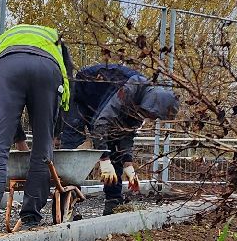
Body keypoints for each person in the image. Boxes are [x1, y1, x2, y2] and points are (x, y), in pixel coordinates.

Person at [0, 24, 71, 229]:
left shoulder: (7, 39)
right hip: (47, 69)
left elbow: (5, 115)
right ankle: (31, 216)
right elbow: (66, 94)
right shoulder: (57, 43)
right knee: (43, 147)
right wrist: (54, 133)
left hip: (8, 66)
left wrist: (17, 139)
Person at [57, 63, 179, 215]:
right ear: (152, 104)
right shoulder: (129, 90)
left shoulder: (140, 106)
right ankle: (67, 203)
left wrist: (128, 164)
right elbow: (101, 124)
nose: (152, 119)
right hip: (83, 95)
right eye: (153, 115)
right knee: (72, 144)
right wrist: (104, 158)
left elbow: (126, 134)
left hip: (102, 106)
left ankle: (113, 202)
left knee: (115, 140)